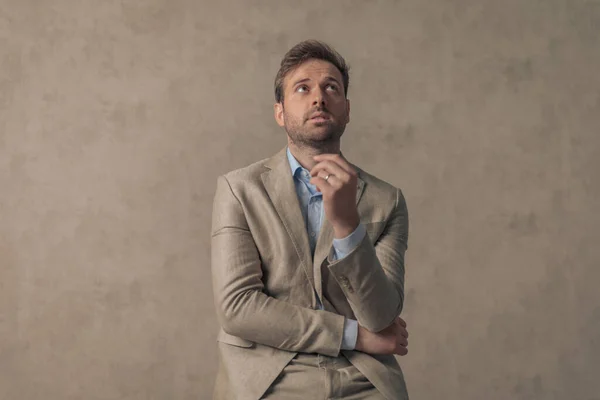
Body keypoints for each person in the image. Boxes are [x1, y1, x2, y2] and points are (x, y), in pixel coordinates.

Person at [211, 39, 410, 400]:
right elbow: (238, 308)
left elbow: (382, 317)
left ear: (347, 110)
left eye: (331, 88)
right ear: (280, 112)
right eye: (303, 88)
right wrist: (354, 335)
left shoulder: (387, 200)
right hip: (270, 378)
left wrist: (348, 227)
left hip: (364, 379)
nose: (318, 98)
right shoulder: (239, 189)